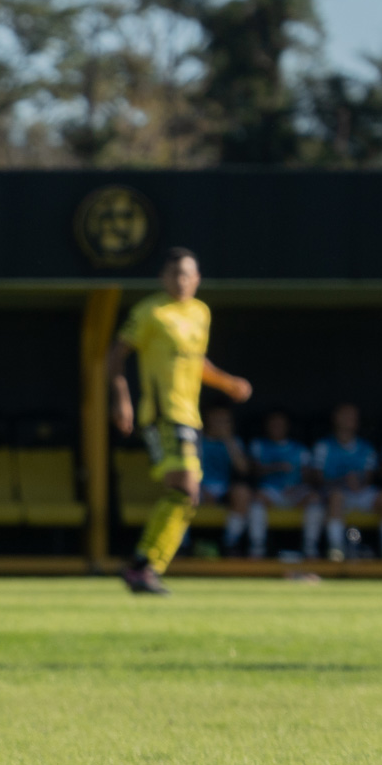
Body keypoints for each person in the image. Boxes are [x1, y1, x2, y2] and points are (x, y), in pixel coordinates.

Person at [109, 247, 252, 594]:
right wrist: (122, 400)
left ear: (197, 279)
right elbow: (114, 358)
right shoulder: (150, 312)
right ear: (163, 278)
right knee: (185, 489)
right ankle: (144, 566)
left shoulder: (200, 313)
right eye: (174, 274)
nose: (181, 280)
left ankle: (144, 566)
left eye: (187, 274)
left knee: (187, 496)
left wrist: (228, 382)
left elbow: (197, 361)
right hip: (161, 415)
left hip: (190, 416)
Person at [312, 403, 382, 561]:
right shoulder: (324, 446)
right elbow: (317, 478)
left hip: (361, 493)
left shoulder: (366, 447)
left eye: (354, 416)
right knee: (336, 496)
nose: (351, 419)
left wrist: (358, 482)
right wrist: (342, 481)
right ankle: (336, 550)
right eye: (346, 415)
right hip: (335, 493)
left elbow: (368, 478)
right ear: (336, 418)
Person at [248, 410, 313, 556]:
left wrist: (298, 482)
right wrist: (275, 467)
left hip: (294, 492)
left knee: (314, 498)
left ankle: (311, 547)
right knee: (257, 497)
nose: (276, 427)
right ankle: (257, 547)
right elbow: (252, 471)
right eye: (273, 424)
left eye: (280, 425)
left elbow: (311, 478)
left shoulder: (299, 449)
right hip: (270, 491)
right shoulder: (259, 445)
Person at [202, 406, 256, 557]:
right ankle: (182, 546)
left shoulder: (233, 441)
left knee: (242, 493)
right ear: (207, 420)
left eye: (225, 421)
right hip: (199, 489)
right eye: (216, 420)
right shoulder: (197, 440)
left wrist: (228, 440)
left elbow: (243, 469)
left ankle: (229, 543)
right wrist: (201, 489)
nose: (220, 424)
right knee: (182, 493)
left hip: (224, 490)